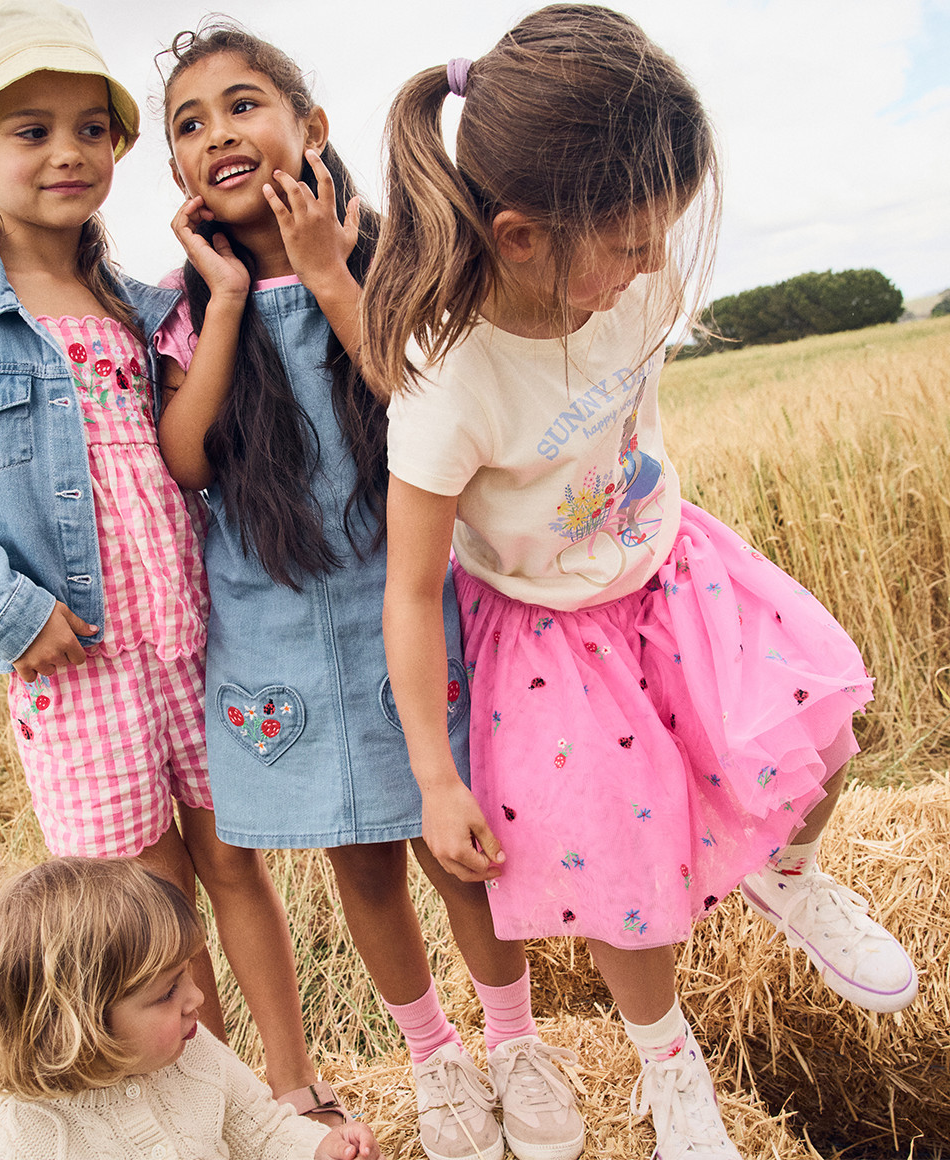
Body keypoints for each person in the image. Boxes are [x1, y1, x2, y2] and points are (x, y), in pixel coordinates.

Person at [365, 6, 919, 1158]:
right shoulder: (446, 379)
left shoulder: (636, 282)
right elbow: (409, 590)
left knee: (825, 728)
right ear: (518, 237)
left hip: (669, 564)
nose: (654, 264)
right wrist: (432, 772)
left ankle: (792, 876)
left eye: (659, 233)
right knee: (630, 871)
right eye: (626, 240)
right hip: (548, 628)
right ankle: (668, 1063)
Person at [0, 0, 331, 1119]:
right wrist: (8, 611)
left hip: (195, 639)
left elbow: (206, 440)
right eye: (29, 130)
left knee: (237, 867)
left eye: (91, 129)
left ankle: (294, 1093)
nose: (67, 153)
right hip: (77, 667)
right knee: (154, 914)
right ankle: (220, 1116)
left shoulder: (146, 299)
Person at [155, 22, 583, 1160]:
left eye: (242, 105)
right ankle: (434, 1058)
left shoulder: (394, 254)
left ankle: (513, 1041)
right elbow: (187, 456)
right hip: (277, 629)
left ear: (312, 128)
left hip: (406, 602)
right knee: (359, 854)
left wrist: (333, 278)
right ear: (179, 177)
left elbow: (422, 402)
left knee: (456, 845)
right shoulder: (186, 304)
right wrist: (230, 302)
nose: (218, 135)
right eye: (188, 127)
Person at [0, 857, 381, 1160]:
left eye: (186, 974)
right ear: (78, 1026)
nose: (196, 998)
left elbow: (263, 1131)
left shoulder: (195, 1055)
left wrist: (317, 1148)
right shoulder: (16, 1143)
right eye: (167, 992)